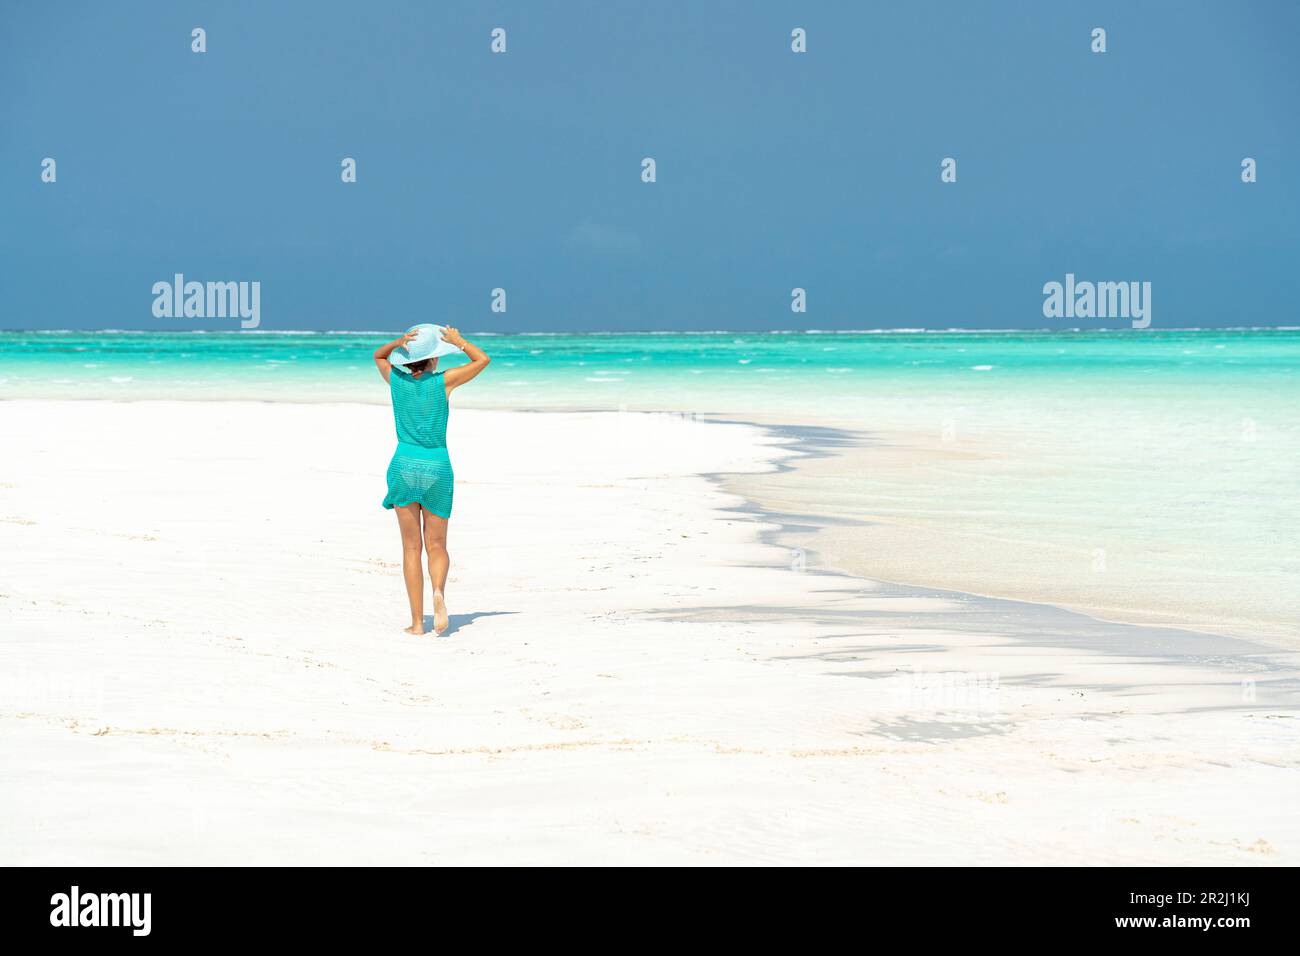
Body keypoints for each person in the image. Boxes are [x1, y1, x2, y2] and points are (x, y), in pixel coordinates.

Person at [373, 325, 490, 635]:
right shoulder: (444, 382)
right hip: (437, 467)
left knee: (411, 549)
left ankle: (416, 623)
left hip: (403, 466)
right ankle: (438, 592)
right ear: (434, 358)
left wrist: (398, 342)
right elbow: (482, 360)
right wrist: (459, 342)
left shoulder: (396, 381)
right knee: (436, 545)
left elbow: (378, 356)